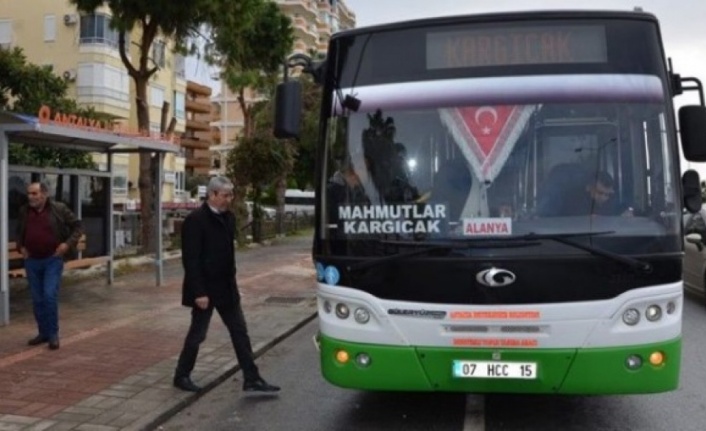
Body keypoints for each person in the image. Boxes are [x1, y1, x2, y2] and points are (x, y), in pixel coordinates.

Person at [173, 176, 280, 393]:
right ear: (212, 195)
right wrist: (199, 292)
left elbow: (228, 254)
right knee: (198, 334)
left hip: (227, 288)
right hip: (205, 289)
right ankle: (181, 375)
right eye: (225, 195)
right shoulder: (196, 220)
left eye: (231, 195)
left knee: (240, 331)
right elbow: (191, 260)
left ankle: (252, 378)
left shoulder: (228, 218)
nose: (229, 199)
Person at [15, 181, 83, 350]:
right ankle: (43, 333)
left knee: (49, 296)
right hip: (32, 261)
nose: (30, 197)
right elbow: (19, 231)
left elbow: (78, 226)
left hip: (52, 259)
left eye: (34, 194)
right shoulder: (24, 211)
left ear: (44, 194)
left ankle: (53, 335)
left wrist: (66, 245)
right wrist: (20, 246)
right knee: (37, 299)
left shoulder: (58, 209)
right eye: (29, 194)